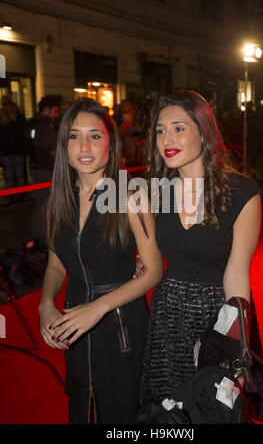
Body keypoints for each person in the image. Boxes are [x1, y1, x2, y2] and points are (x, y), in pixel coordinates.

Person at [138, 90, 263, 422]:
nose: (167, 138)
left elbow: (236, 277)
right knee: (167, 417)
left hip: (217, 316)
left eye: (179, 128)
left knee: (213, 412)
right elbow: (150, 260)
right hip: (168, 318)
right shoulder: (155, 193)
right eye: (160, 130)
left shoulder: (242, 195)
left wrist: (235, 352)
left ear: (203, 132)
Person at [38, 97, 163, 424]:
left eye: (94, 135)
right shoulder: (58, 201)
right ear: (63, 144)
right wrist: (46, 304)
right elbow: (56, 263)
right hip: (74, 320)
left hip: (121, 323)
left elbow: (153, 271)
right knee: (83, 408)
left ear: (111, 141)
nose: (84, 145)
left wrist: (99, 307)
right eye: (74, 136)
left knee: (123, 412)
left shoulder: (130, 194)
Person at [29, 95, 61, 244]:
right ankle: (42, 237)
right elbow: (56, 146)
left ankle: (39, 235)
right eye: (55, 111)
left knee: (41, 202)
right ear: (46, 110)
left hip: (38, 168)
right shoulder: (44, 126)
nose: (57, 114)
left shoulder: (36, 123)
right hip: (44, 170)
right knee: (44, 203)